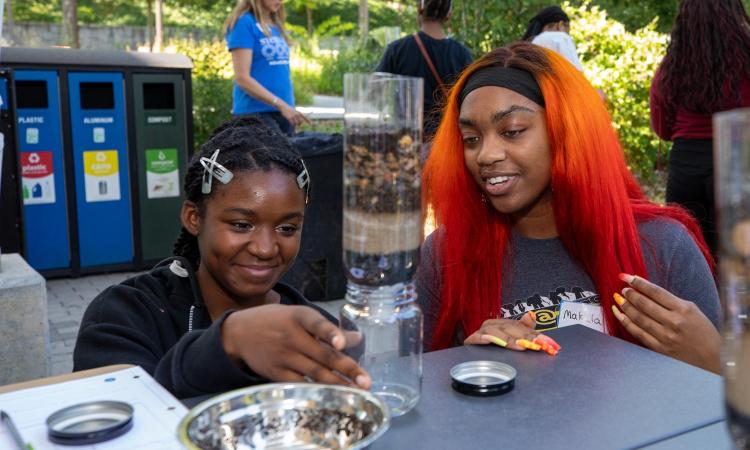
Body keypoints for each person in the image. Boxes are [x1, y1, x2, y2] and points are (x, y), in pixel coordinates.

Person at [417, 42, 722, 374]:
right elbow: (414, 395)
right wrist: (469, 368)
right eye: (471, 139)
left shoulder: (664, 247)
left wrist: (715, 360)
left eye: (512, 131)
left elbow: (729, 409)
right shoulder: (444, 256)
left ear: (566, 133)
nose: (486, 155)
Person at [73, 117, 370, 398]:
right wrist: (226, 343)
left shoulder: (316, 336)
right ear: (193, 218)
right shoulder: (126, 314)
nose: (265, 248)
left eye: (287, 228)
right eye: (241, 225)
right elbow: (116, 419)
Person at [650, 0, 750, 257]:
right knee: (739, 260)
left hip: (686, 166)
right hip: (737, 161)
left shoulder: (672, 67)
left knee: (689, 255)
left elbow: (662, 128)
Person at [376, 0, 473, 140]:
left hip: (406, 137)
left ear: (419, 10)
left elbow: (375, 89)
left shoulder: (398, 49)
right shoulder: (462, 54)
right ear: (449, 15)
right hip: (447, 138)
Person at [224, 0, 309, 136]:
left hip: (283, 112)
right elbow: (242, 78)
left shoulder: (276, 25)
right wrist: (280, 103)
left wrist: (287, 107)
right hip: (255, 114)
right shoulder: (244, 23)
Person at [522, 5, 583, 72]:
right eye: (567, 27)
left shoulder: (531, 44)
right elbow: (575, 71)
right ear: (560, 25)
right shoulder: (560, 37)